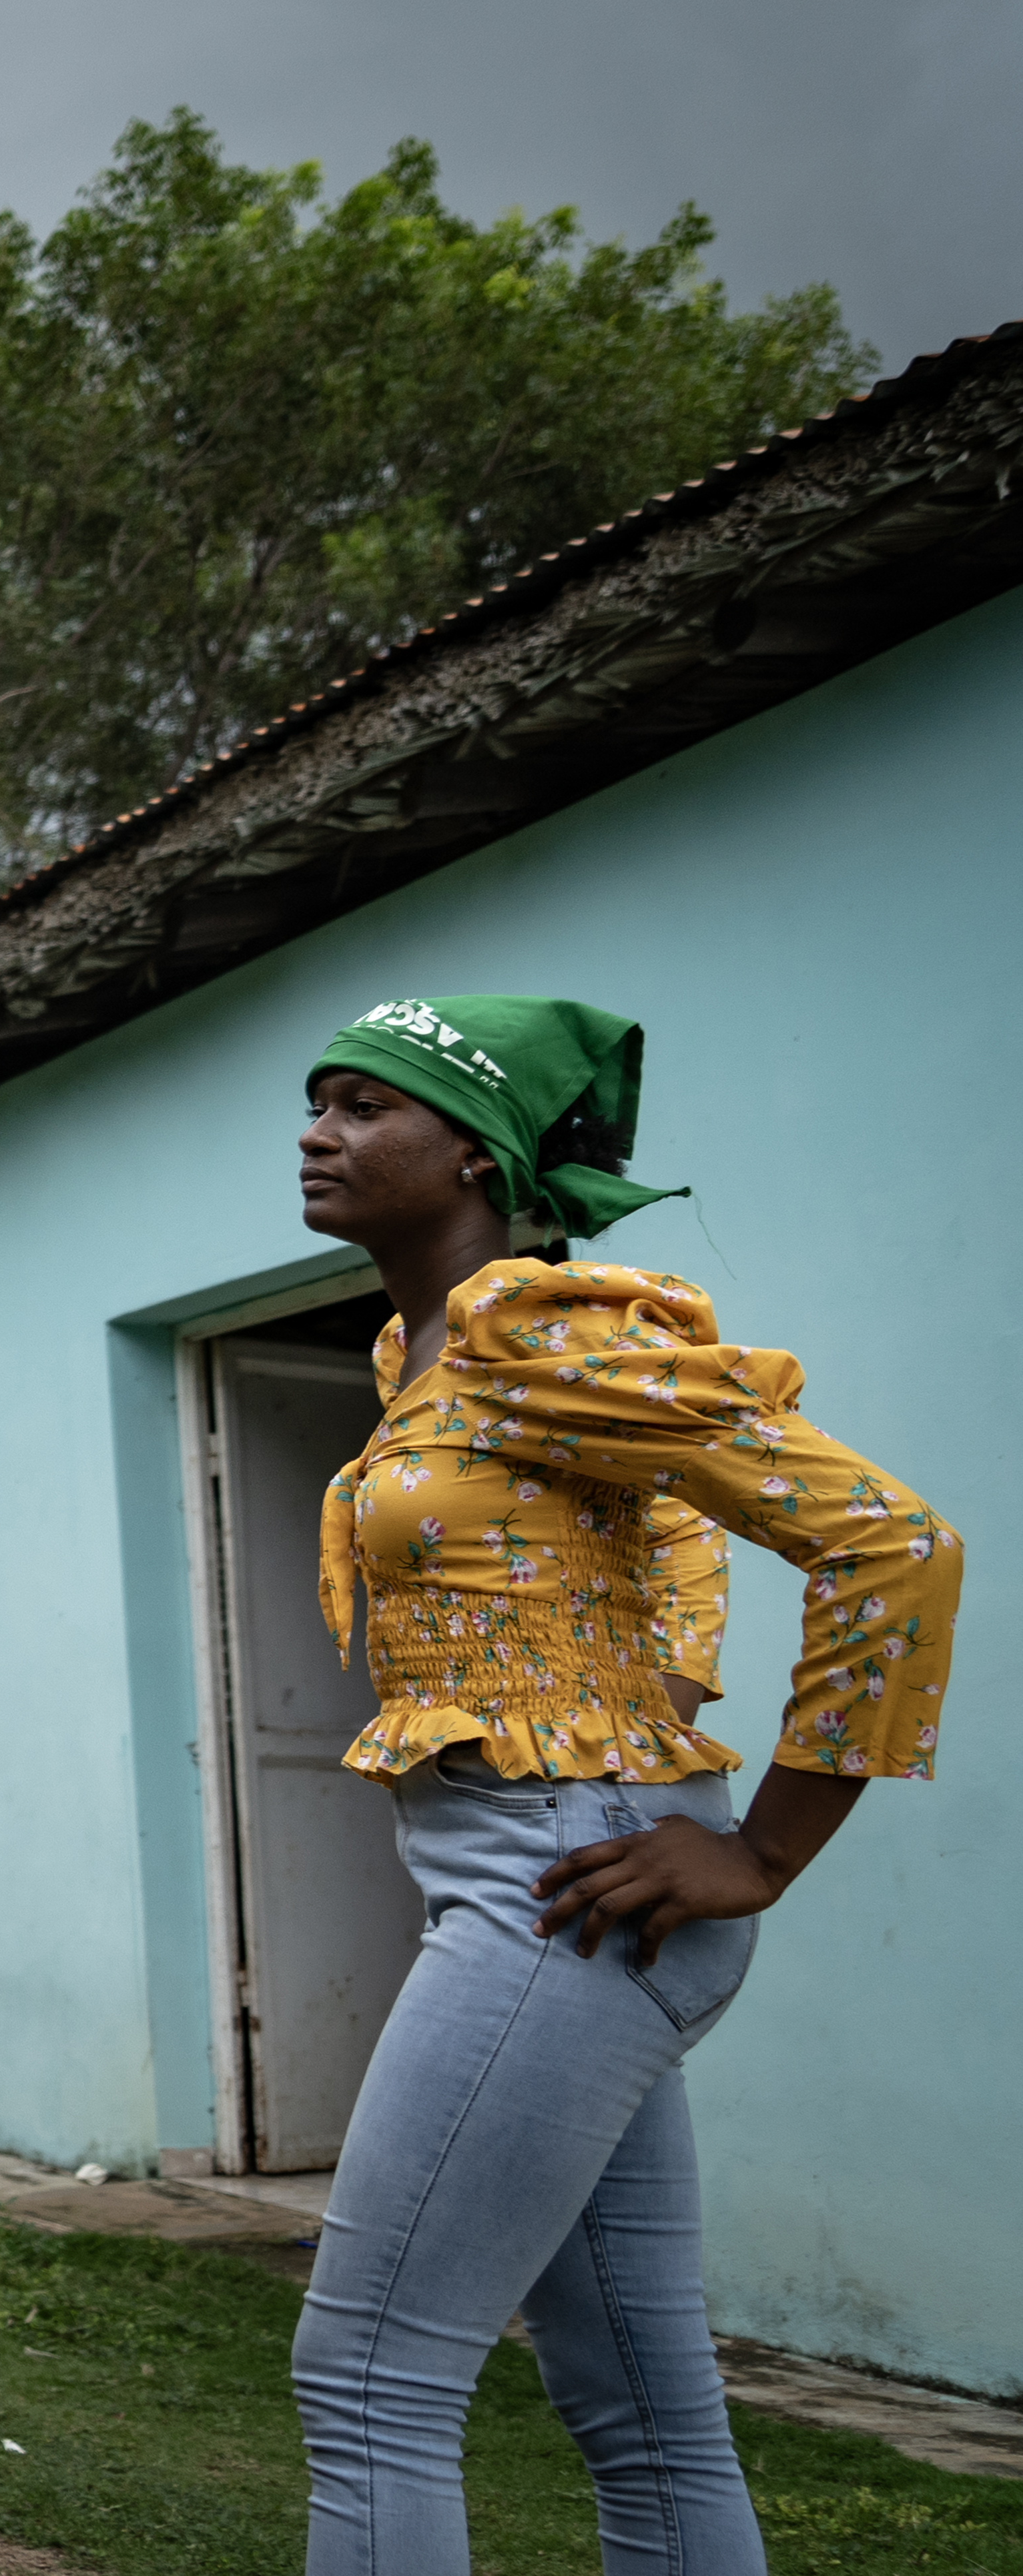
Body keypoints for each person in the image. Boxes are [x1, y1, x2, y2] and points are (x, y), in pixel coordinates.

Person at [288, 993, 962, 2575]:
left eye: (361, 1104)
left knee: (372, 2370)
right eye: (311, 1102)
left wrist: (770, 1847)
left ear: (473, 1149)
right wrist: (635, 1707)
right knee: (645, 2413)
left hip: (567, 1884)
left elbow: (893, 1544)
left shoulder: (553, 1329)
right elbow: (654, 1546)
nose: (317, 1130)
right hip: (549, 1866)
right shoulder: (424, 1353)